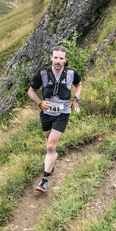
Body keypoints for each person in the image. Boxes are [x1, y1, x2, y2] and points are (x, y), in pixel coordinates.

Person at [28, 45, 82, 193]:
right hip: (46, 113)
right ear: (51, 58)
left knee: (51, 145)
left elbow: (78, 85)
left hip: (63, 112)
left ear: (65, 60)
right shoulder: (42, 73)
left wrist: (76, 98)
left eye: (61, 58)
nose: (58, 61)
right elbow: (31, 91)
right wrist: (40, 103)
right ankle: (53, 158)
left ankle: (44, 181)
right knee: (48, 142)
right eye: (56, 58)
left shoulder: (72, 73)